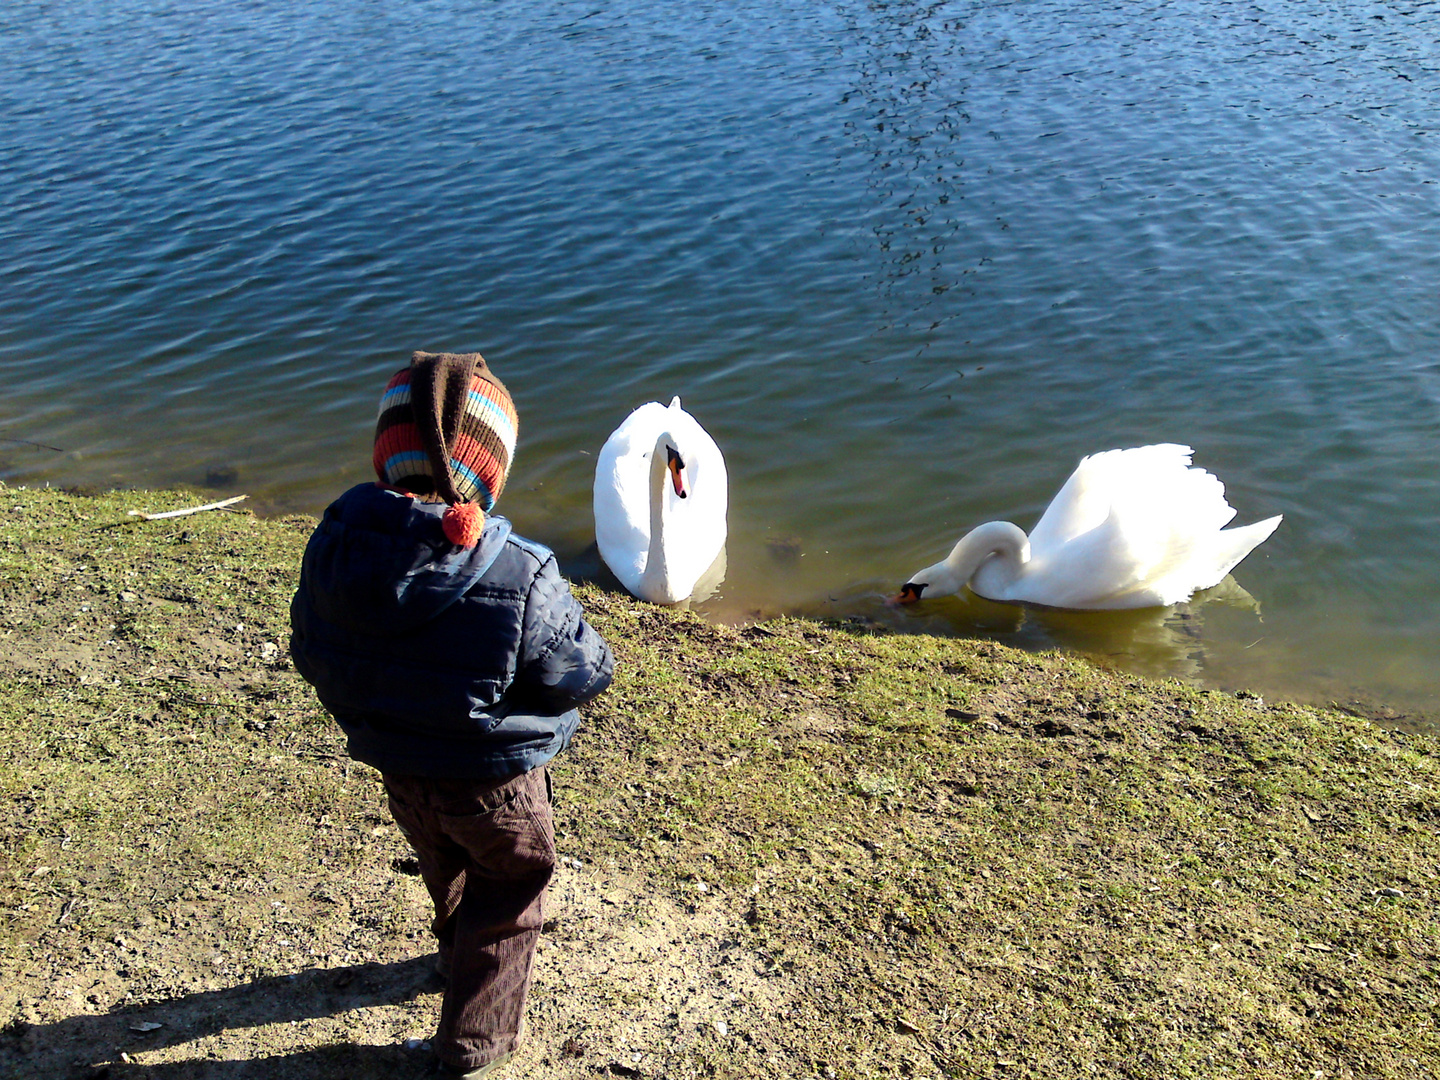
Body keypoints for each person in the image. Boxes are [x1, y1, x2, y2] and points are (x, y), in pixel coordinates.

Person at [290, 351, 615, 1078]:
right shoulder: (520, 572)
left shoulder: (336, 548)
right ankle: (474, 1045)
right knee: (509, 889)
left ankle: (449, 954)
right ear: (489, 476)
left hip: (400, 768)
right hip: (494, 784)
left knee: (446, 865)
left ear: (385, 460)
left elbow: (310, 648)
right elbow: (582, 672)